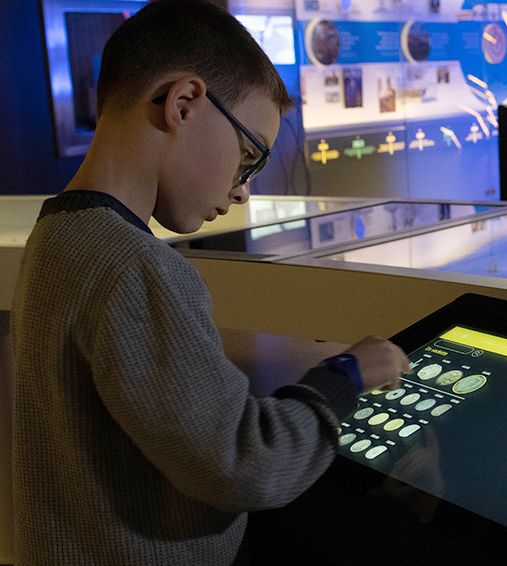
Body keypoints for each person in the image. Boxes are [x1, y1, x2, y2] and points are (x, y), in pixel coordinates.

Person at [10, 1, 410, 564]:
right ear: (184, 103)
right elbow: (246, 464)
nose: (243, 189)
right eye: (248, 156)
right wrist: (345, 376)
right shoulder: (132, 265)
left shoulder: (59, 234)